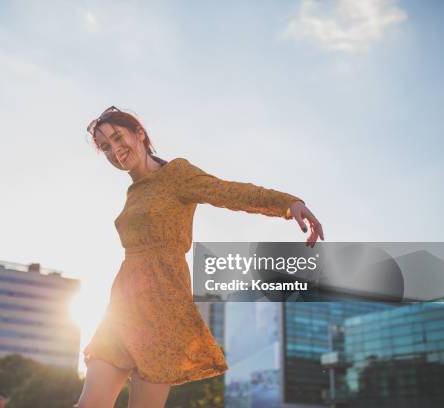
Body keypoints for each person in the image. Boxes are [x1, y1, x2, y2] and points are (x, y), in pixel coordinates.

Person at [75, 106, 324, 408]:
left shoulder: (177, 174)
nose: (115, 150)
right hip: (122, 307)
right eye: (106, 147)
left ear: (139, 133)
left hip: (163, 308)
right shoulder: (133, 193)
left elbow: (228, 192)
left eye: (118, 138)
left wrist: (287, 203)